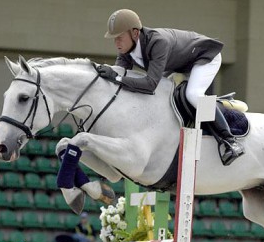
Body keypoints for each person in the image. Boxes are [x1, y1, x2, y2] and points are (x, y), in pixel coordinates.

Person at [98, 9, 244, 166]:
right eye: (114, 39)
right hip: (181, 64)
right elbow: (118, 76)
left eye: (119, 37)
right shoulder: (126, 50)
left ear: (134, 33)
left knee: (193, 94)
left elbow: (149, 84)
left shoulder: (157, 42)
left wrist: (116, 78)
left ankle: (230, 141)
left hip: (204, 57)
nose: (116, 43)